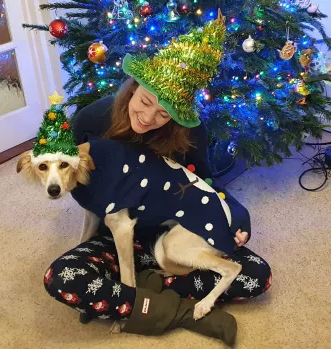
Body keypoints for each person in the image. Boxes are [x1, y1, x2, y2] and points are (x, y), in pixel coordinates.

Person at [42, 11, 271, 341]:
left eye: (163, 113)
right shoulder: (91, 121)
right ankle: (172, 305)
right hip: (114, 236)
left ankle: (131, 302)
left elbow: (205, 184)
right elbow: (84, 191)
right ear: (133, 88)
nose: (148, 117)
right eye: (146, 101)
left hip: (171, 232)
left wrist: (237, 212)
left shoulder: (190, 135)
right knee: (60, 278)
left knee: (257, 275)